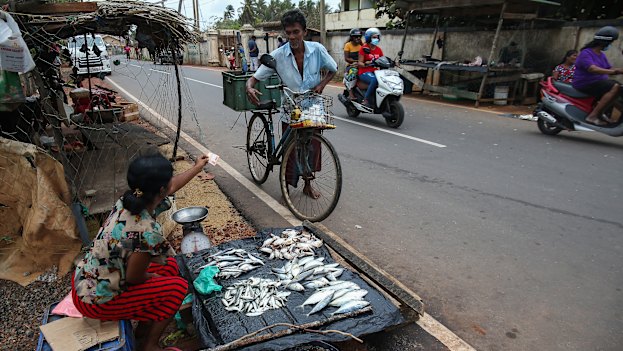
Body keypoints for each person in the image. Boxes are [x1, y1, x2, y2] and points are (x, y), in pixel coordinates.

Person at [72, 153, 210, 351]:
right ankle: (149, 345)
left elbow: (171, 186)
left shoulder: (129, 200)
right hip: (95, 299)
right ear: (161, 190)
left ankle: (144, 328)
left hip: (85, 278)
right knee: (177, 288)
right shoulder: (146, 230)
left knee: (171, 266)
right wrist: (153, 278)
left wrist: (197, 167)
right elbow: (134, 278)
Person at [246, 9, 337, 199]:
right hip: (291, 106)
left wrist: (321, 85)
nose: (292, 36)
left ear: (304, 31)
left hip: (313, 106)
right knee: (291, 148)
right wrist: (249, 87)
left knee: (312, 147)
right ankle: (287, 186)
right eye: (288, 33)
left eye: (295, 31)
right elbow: (255, 77)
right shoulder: (278, 55)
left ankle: (307, 184)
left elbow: (333, 69)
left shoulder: (317, 50)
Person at [572, 26, 623, 126]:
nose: (611, 45)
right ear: (605, 42)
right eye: (611, 42)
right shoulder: (586, 53)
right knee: (615, 86)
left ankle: (602, 114)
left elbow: (609, 69)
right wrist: (615, 72)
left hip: (599, 83)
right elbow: (592, 69)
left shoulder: (601, 54)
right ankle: (593, 116)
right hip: (585, 83)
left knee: (619, 88)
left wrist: (619, 70)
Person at [358, 27, 384, 110]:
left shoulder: (379, 49)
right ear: (368, 38)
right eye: (374, 37)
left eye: (377, 37)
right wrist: (366, 63)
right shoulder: (364, 48)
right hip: (364, 72)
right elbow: (360, 63)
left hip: (376, 72)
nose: (376, 39)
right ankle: (365, 100)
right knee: (374, 80)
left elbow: (382, 59)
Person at [344, 28, 363, 99]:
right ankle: (351, 94)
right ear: (352, 37)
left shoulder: (362, 45)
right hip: (351, 66)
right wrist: (356, 61)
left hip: (361, 65)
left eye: (359, 36)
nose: (358, 38)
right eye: (356, 36)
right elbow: (346, 58)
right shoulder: (348, 45)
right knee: (353, 72)